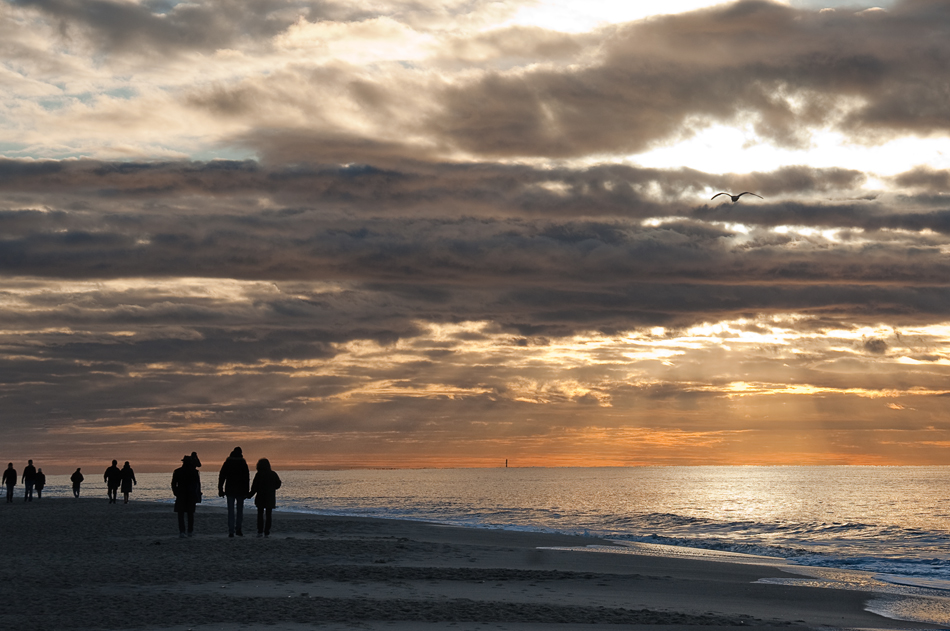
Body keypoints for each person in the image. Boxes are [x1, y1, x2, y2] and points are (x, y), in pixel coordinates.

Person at [218, 447, 250, 538]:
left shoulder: (228, 462)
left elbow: (222, 476)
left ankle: (231, 531)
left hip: (230, 489)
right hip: (240, 490)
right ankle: (238, 529)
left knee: (231, 511)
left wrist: (220, 489)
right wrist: (247, 491)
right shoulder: (243, 463)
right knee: (240, 511)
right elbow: (246, 478)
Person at [248, 458, 281, 538]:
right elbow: (278, 484)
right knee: (268, 515)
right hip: (270, 497)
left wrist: (249, 495)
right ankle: (267, 531)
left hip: (260, 497)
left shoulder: (259, 474)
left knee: (260, 514)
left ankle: (260, 531)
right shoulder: (273, 474)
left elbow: (254, 487)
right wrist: (272, 488)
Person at [171, 455, 201, 537]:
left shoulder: (177, 471)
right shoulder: (194, 472)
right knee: (190, 514)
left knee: (181, 514)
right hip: (191, 494)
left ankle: (182, 531)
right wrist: (197, 494)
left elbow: (173, 483)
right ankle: (190, 531)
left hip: (181, 494)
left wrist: (175, 492)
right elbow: (197, 485)